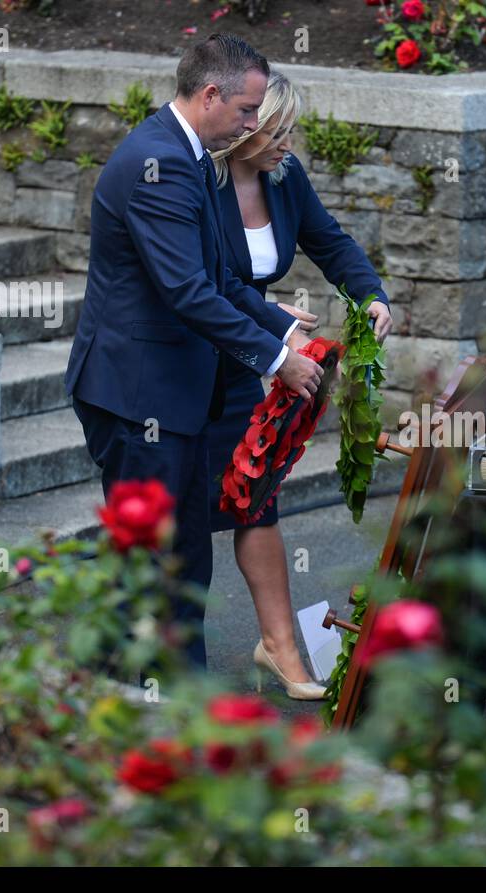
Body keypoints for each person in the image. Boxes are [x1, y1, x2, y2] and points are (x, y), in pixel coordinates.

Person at [64, 34, 323, 672]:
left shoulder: (193, 154)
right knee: (155, 565)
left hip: (173, 395)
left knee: (180, 559)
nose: (252, 124)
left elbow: (223, 279)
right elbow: (187, 290)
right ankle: (149, 707)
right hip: (135, 394)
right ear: (210, 95)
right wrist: (274, 359)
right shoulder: (162, 163)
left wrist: (278, 328)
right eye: (245, 110)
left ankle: (151, 701)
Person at [206, 71, 392, 699]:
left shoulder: (285, 178)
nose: (290, 143)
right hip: (187, 355)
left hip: (240, 358)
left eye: (291, 130)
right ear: (245, 128)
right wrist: (275, 326)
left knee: (255, 496)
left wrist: (369, 295)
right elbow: (205, 283)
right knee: (183, 511)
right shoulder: (198, 180)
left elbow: (330, 242)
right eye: (278, 130)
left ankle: (280, 649)